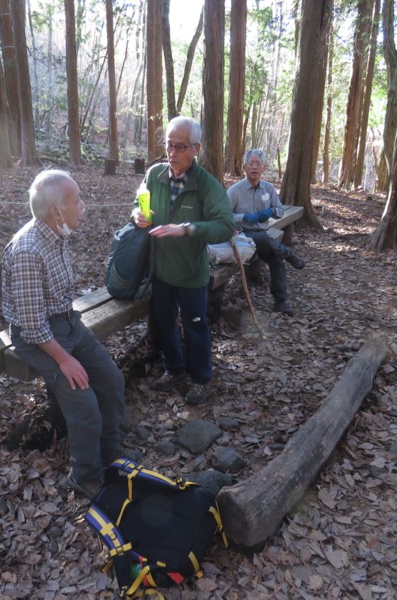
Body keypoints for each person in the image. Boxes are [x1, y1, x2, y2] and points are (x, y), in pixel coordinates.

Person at [1, 170, 126, 499]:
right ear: (56, 211)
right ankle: (84, 476)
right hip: (39, 338)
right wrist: (65, 360)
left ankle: (109, 454)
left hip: (68, 322)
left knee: (111, 380)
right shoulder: (28, 250)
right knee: (85, 405)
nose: (83, 206)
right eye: (77, 200)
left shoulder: (56, 234)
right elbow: (33, 326)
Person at [131, 116, 235, 406]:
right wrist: (137, 216)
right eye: (169, 145)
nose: (173, 153)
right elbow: (140, 203)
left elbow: (225, 225)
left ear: (196, 149)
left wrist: (190, 229)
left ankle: (201, 378)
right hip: (161, 271)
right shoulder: (155, 175)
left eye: (180, 147)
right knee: (164, 323)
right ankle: (173, 368)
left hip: (191, 273)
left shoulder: (206, 185)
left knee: (195, 325)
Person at [227, 149, 305, 317]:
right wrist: (244, 216)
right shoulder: (235, 190)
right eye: (251, 164)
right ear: (244, 167)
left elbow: (279, 210)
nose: (254, 167)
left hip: (262, 236)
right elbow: (222, 216)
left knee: (276, 259)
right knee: (264, 239)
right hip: (241, 235)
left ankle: (280, 301)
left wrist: (269, 212)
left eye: (258, 164)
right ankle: (288, 253)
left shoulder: (268, 188)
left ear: (264, 167)